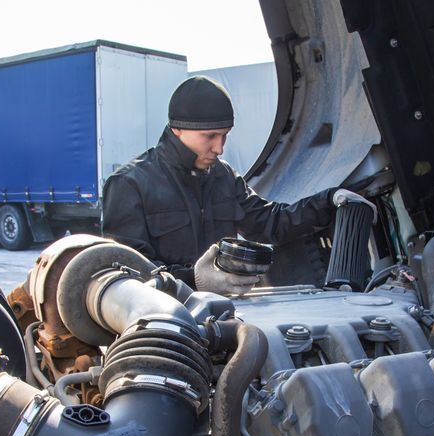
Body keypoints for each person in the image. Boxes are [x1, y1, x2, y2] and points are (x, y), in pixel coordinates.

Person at [102, 76, 364, 295]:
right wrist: (196, 280)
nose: (219, 148)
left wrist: (328, 201)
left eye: (224, 136)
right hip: (167, 329)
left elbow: (272, 223)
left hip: (227, 319)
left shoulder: (223, 176)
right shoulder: (128, 184)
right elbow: (129, 277)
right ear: (177, 129)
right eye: (210, 136)